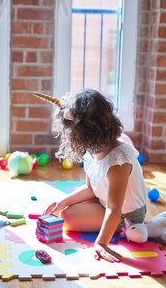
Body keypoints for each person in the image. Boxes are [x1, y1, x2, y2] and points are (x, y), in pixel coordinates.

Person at [39, 89, 148, 263]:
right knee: (65, 210)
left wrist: (101, 243)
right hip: (105, 202)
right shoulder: (93, 150)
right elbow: (91, 188)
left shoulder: (118, 159)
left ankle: (129, 228)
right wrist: (64, 201)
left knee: (66, 218)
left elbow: (114, 208)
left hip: (125, 215)